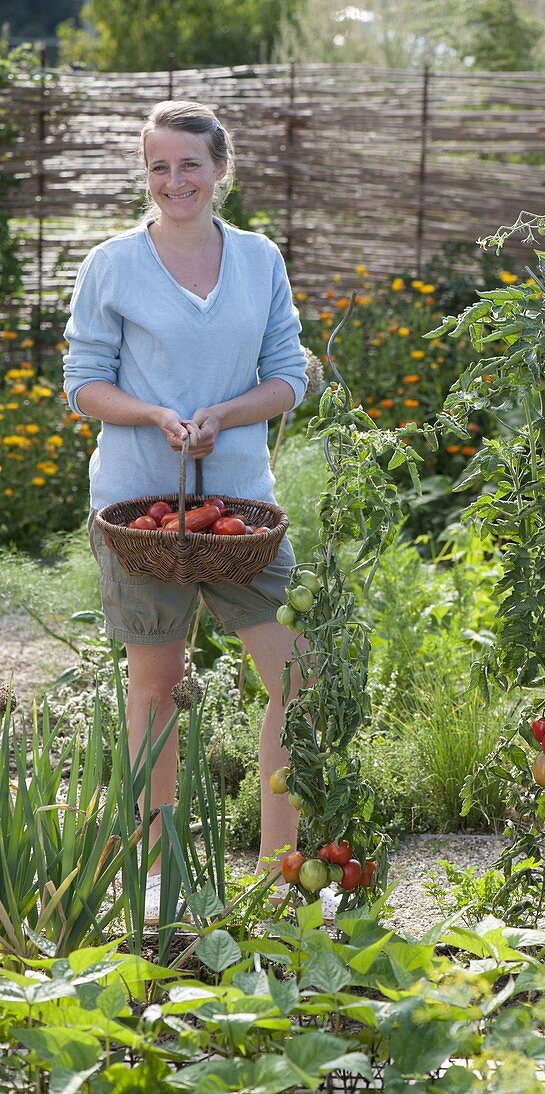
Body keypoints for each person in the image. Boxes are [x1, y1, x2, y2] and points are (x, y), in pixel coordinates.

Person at [63, 100, 308, 924]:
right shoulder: (112, 264)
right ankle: (156, 875)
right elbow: (82, 380)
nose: (176, 181)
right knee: (157, 687)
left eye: (191, 165)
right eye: (160, 166)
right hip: (140, 508)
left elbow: (289, 375)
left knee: (295, 675)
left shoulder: (258, 259)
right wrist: (154, 416)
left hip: (242, 506)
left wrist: (224, 415)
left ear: (221, 170)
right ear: (147, 173)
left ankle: (283, 873)